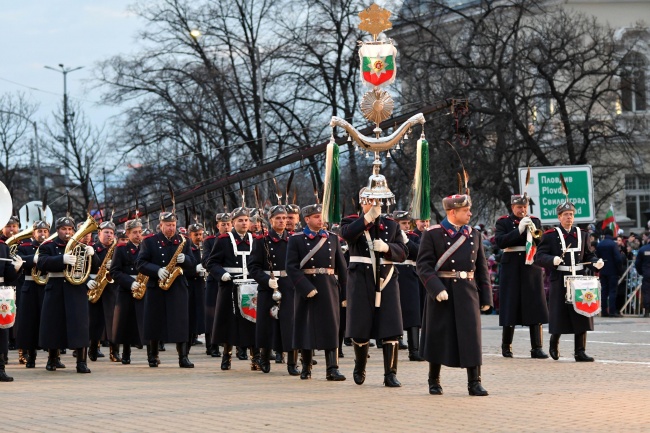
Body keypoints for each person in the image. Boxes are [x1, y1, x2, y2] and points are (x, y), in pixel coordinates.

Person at [416, 193, 493, 396]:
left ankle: (474, 381)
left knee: (471, 337)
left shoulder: (474, 235)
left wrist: (486, 297)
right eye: (465, 210)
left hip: (467, 291)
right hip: (442, 290)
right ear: (452, 212)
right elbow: (423, 265)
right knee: (437, 335)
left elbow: (481, 269)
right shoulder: (432, 234)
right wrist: (435, 287)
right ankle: (434, 380)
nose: (470, 213)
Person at [340, 190, 408, 388]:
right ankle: (360, 366)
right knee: (360, 328)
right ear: (362, 203)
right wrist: (368, 218)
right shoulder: (350, 222)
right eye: (369, 200)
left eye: (376, 200)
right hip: (361, 279)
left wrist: (387, 248)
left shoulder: (391, 225)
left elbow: (403, 252)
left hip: (386, 279)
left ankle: (390, 373)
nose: (374, 203)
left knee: (391, 328)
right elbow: (347, 235)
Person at [534, 201, 604, 362]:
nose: (569, 217)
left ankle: (580, 351)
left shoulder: (583, 234)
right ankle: (554, 343)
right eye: (565, 215)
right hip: (560, 279)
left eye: (571, 214)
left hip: (579, 279)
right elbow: (539, 256)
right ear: (559, 217)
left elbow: (588, 255)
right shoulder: (550, 235)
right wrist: (553, 260)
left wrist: (595, 262)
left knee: (582, 312)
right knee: (559, 314)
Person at [286, 204, 348, 381]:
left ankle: (333, 368)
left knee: (331, 327)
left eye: (322, 216)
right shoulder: (296, 239)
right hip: (307, 287)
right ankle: (306, 367)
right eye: (316, 216)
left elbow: (342, 269)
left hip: (328, 286)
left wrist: (345, 295)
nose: (320, 219)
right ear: (307, 219)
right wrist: (305, 287)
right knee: (306, 327)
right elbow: (291, 267)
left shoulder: (332, 238)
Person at [136, 210, 197, 368]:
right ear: (160, 225)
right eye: (168, 225)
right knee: (154, 321)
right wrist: (157, 270)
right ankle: (153, 355)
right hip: (156, 286)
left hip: (177, 286)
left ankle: (183, 357)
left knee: (181, 322)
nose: (171, 228)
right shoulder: (149, 242)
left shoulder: (183, 241)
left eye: (173, 225)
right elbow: (140, 263)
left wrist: (187, 259)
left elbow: (193, 263)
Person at [494, 194, 549, 359]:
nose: (522, 210)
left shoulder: (535, 220)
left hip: (530, 266)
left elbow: (541, 242)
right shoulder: (503, 222)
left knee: (535, 305)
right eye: (519, 207)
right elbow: (500, 242)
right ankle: (506, 346)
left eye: (524, 207)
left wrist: (533, 230)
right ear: (512, 207)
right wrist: (518, 230)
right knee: (510, 305)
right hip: (511, 265)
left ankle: (537, 347)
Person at [36, 216, 93, 373]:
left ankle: (81, 362)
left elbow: (90, 268)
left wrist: (92, 255)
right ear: (57, 230)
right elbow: (42, 263)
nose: (67, 232)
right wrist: (62, 259)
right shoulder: (48, 245)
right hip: (56, 287)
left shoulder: (80, 246)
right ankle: (52, 358)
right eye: (63, 229)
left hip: (76, 288)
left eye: (70, 229)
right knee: (54, 325)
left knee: (80, 326)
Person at [205, 207, 259, 371]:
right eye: (240, 220)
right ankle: (226, 355)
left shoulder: (256, 239)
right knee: (228, 322)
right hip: (230, 286)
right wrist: (222, 274)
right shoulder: (222, 240)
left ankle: (255, 357)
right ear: (233, 222)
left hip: (251, 287)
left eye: (246, 220)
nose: (244, 223)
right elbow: (211, 263)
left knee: (252, 322)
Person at [248, 205, 300, 375]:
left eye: (285, 218)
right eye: (278, 218)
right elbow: (253, 267)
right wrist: (266, 280)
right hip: (269, 286)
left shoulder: (293, 239)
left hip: (288, 285)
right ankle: (264, 357)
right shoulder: (261, 241)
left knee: (290, 324)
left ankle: (292, 362)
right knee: (267, 324)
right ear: (270, 221)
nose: (282, 221)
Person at [15, 220, 50, 369]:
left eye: (45, 231)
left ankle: (53, 357)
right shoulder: (25, 247)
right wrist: (33, 259)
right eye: (39, 231)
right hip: (29, 286)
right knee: (29, 322)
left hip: (47, 286)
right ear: (33, 232)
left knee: (49, 322)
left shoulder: (51, 246)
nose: (42, 234)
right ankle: (30, 357)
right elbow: (17, 260)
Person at [110, 219, 146, 364]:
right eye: (135, 232)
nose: (138, 235)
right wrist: (131, 283)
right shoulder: (121, 249)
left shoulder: (146, 247)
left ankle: (152, 354)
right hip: (127, 288)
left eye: (140, 232)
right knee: (125, 322)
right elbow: (114, 271)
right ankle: (125, 353)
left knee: (145, 321)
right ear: (128, 233)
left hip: (144, 286)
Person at [87, 221, 122, 362]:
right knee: (94, 320)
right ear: (99, 233)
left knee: (114, 321)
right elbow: (86, 268)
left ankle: (115, 352)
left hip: (112, 288)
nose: (109, 235)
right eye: (106, 232)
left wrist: (114, 265)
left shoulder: (117, 249)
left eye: (111, 233)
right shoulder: (92, 249)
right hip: (95, 285)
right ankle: (93, 348)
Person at [392, 210, 425, 362]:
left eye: (407, 223)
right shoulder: (389, 237)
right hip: (393, 274)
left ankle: (415, 349)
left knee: (413, 313)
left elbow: (418, 253)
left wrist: (405, 240)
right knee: (393, 311)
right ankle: (393, 343)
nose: (405, 226)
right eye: (402, 223)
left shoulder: (414, 237)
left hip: (410, 275)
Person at [202, 212, 232, 357]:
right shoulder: (209, 241)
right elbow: (206, 260)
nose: (226, 227)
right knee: (212, 313)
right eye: (223, 224)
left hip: (232, 281)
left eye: (228, 224)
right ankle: (212, 345)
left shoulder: (234, 240)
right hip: (215, 280)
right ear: (217, 225)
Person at [185, 222, 207, 351]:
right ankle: (189, 339)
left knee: (199, 313)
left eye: (200, 234)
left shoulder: (202, 248)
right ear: (190, 235)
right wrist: (195, 269)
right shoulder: (187, 248)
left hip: (200, 284)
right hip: (190, 284)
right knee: (190, 313)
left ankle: (194, 336)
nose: (199, 237)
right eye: (196, 235)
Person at [596, 228, 623, 317]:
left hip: (603, 271)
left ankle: (604, 311)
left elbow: (597, 257)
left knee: (604, 291)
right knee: (612, 291)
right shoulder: (613, 244)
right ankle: (612, 311)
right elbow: (618, 259)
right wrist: (620, 270)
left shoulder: (599, 244)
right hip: (613, 271)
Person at [634, 238, 650, 318]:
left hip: (647, 274)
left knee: (646, 292)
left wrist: (641, 272)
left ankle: (647, 311)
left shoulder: (643, 249)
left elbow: (637, 263)